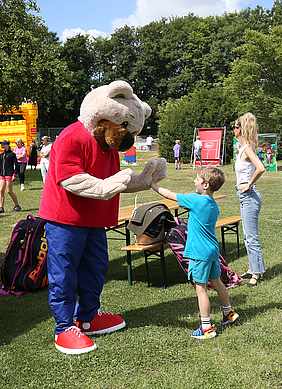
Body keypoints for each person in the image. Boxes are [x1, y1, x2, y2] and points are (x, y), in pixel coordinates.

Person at [38, 80, 166, 355]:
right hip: (66, 220)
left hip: (94, 221)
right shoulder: (73, 136)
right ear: (107, 117)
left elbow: (113, 181)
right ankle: (64, 327)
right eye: (124, 130)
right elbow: (69, 178)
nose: (126, 138)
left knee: (95, 270)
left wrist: (144, 180)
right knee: (64, 273)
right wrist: (106, 186)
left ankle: (88, 317)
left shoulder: (108, 146)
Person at [152, 167, 239, 339]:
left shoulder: (196, 200)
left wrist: (152, 185)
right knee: (217, 282)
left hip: (199, 254)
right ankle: (228, 313)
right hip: (212, 251)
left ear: (205, 184)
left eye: (197, 179)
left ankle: (206, 327)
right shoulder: (213, 205)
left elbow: (170, 194)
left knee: (201, 288)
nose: (194, 181)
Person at [234, 113, 266, 287]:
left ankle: (257, 273)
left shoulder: (247, 148)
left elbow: (261, 168)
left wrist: (249, 184)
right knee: (247, 236)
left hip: (249, 197)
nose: (233, 129)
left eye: (235, 126)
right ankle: (253, 267)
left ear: (241, 129)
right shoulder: (243, 147)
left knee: (251, 237)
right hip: (244, 197)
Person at [0, 140, 22, 213]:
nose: (2, 146)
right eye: (1, 144)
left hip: (9, 174)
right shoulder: (1, 154)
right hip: (2, 175)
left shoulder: (12, 154)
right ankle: (1, 207)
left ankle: (17, 205)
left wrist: (14, 174)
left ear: (7, 145)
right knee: (1, 191)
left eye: (3, 144)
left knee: (9, 191)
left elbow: (17, 165)